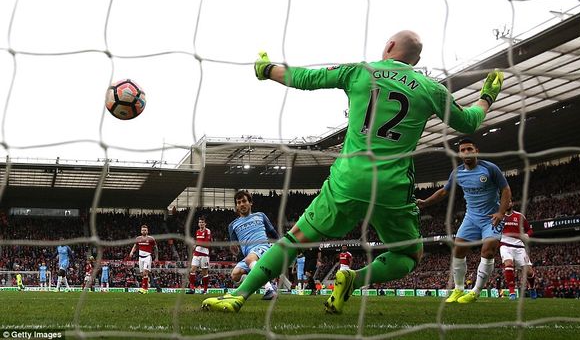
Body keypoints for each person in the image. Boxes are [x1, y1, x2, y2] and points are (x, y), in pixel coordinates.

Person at [202, 30, 502, 313]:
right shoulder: (431, 89)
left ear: (388, 48)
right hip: (392, 186)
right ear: (417, 62)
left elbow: (306, 78)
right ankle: (355, 280)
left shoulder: (360, 71)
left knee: (294, 240)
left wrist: (266, 69)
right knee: (410, 256)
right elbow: (469, 122)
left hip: (349, 179)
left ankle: (238, 296)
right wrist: (487, 97)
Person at [417, 137, 512, 304]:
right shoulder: (457, 173)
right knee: (458, 250)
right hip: (471, 217)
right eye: (463, 150)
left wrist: (501, 212)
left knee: (488, 250)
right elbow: (443, 192)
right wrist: (425, 203)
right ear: (459, 154)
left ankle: (475, 292)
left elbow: (505, 189)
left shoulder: (489, 168)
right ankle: (458, 289)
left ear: (476, 151)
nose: (466, 152)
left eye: (469, 149)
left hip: (491, 218)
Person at [225, 190, 280, 300]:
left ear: (250, 203)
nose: (242, 204)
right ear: (236, 206)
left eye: (244, 201)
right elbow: (235, 247)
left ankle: (270, 290)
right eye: (239, 202)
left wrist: (280, 248)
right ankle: (262, 279)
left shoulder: (260, 216)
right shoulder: (232, 225)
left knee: (249, 260)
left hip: (263, 248)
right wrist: (234, 249)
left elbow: (274, 234)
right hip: (249, 255)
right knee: (235, 275)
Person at [500, 202, 536, 300]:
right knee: (508, 264)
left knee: (529, 272)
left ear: (512, 203)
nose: (508, 203)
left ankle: (532, 287)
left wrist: (527, 235)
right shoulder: (500, 216)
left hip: (519, 247)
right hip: (505, 245)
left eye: (509, 201)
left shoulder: (519, 216)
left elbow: (530, 230)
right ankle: (512, 292)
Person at [128, 224, 158, 294]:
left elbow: (156, 248)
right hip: (140, 257)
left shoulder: (151, 239)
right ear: (141, 231)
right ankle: (146, 286)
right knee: (142, 274)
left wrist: (156, 257)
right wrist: (131, 252)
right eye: (142, 230)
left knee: (145, 272)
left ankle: (144, 289)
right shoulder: (138, 238)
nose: (143, 231)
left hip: (147, 257)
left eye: (145, 230)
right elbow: (135, 246)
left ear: (147, 231)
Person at [187, 216, 214, 294]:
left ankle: (205, 290)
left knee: (204, 273)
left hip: (204, 254)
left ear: (205, 223)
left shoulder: (207, 231)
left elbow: (206, 243)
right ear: (198, 224)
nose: (201, 223)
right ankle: (192, 289)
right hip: (196, 253)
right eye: (200, 222)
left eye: (202, 222)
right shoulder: (197, 231)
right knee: (192, 270)